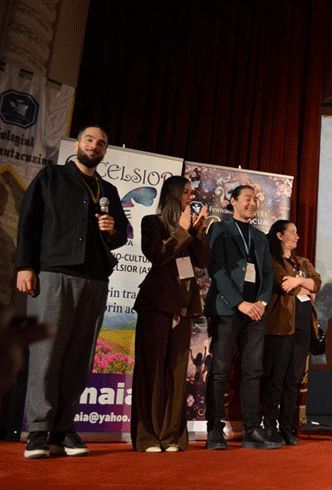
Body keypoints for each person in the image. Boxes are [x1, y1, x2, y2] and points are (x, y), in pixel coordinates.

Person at [15, 126, 129, 459]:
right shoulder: (51, 177)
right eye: (90, 140)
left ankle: (64, 429)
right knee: (46, 355)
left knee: (80, 358)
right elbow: (29, 222)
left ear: (105, 152)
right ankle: (38, 431)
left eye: (101, 144)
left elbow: (121, 233)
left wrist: (113, 231)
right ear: (77, 144)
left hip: (95, 278)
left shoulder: (107, 188)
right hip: (54, 274)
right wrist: (25, 266)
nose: (95, 146)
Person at [130, 176, 211, 452]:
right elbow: (157, 255)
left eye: (191, 191)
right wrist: (182, 231)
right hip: (157, 304)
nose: (191, 196)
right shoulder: (152, 223)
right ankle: (148, 436)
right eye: (186, 192)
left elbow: (202, 261)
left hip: (186, 305)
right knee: (151, 372)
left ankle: (172, 436)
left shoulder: (190, 227)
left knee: (177, 374)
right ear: (173, 194)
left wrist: (198, 232)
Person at [204, 185, 278, 450]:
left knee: (253, 371)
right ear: (232, 201)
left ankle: (251, 430)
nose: (252, 203)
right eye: (247, 198)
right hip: (227, 309)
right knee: (220, 370)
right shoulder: (220, 229)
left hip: (256, 312)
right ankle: (214, 430)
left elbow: (268, 274)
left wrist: (261, 301)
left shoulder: (259, 237)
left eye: (255, 199)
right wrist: (240, 303)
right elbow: (217, 269)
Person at [263, 220, 321, 447]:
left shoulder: (303, 261)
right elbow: (284, 284)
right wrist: (302, 284)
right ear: (279, 235)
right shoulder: (272, 259)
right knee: (276, 378)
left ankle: (287, 428)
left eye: (298, 232)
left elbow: (316, 283)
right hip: (280, 325)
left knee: (293, 379)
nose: (297, 236)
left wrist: (300, 280)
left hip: (304, 325)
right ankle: (270, 428)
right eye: (293, 233)